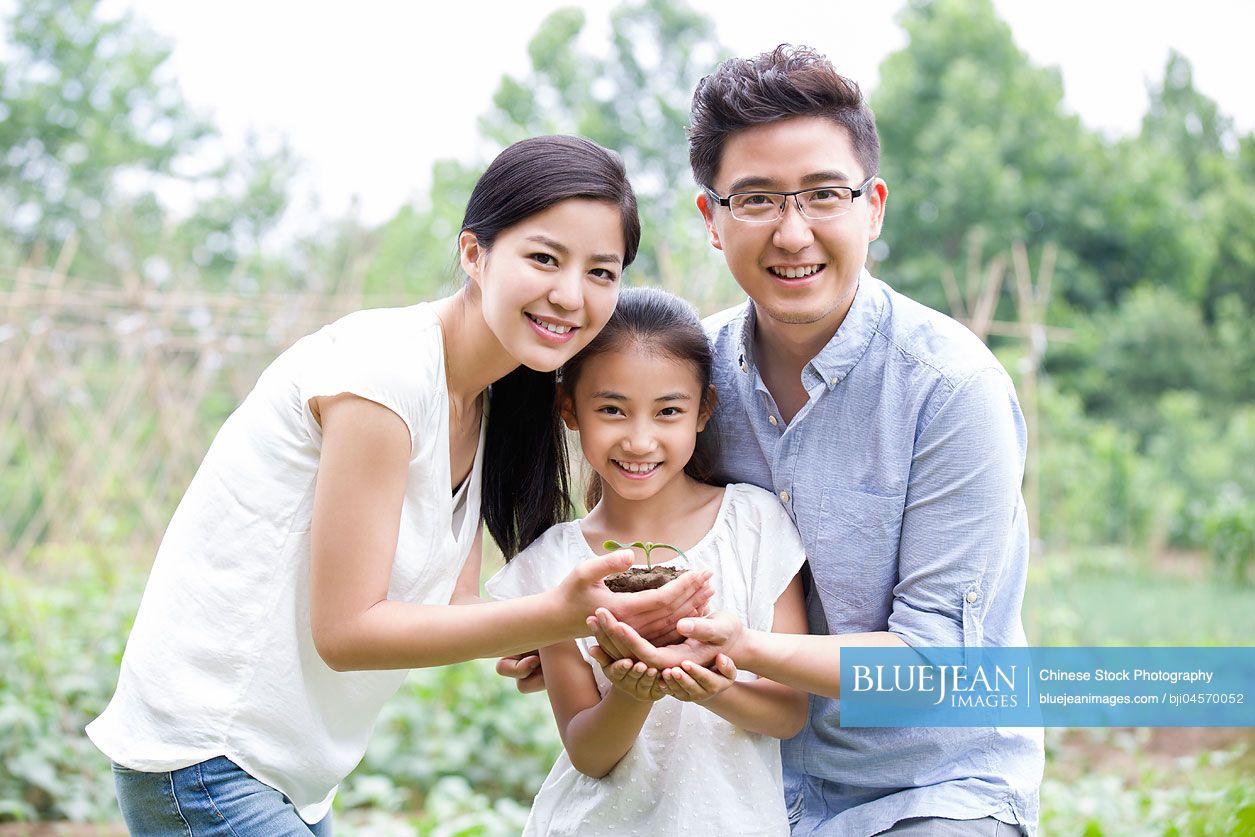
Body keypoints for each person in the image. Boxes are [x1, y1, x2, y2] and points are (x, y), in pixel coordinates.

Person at [85, 135, 713, 837]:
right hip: (207, 757)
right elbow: (348, 632)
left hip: (290, 775)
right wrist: (554, 615)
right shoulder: (384, 376)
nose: (571, 294)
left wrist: (563, 635)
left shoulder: (487, 400)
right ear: (474, 255)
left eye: (602, 271)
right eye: (544, 258)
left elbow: (452, 602)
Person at [582, 46, 1045, 835]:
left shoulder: (949, 387)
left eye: (825, 194)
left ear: (872, 207)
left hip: (928, 790)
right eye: (756, 199)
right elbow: (624, 542)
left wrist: (746, 645)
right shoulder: (682, 382)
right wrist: (578, 628)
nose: (792, 233)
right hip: (732, 776)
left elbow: (933, 669)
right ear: (711, 221)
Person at [486, 287, 809, 835]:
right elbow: (589, 753)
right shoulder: (554, 566)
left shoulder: (755, 525)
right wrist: (633, 694)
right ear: (569, 409)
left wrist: (712, 686)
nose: (639, 440)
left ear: (703, 410)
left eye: (668, 412)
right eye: (611, 409)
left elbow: (789, 713)